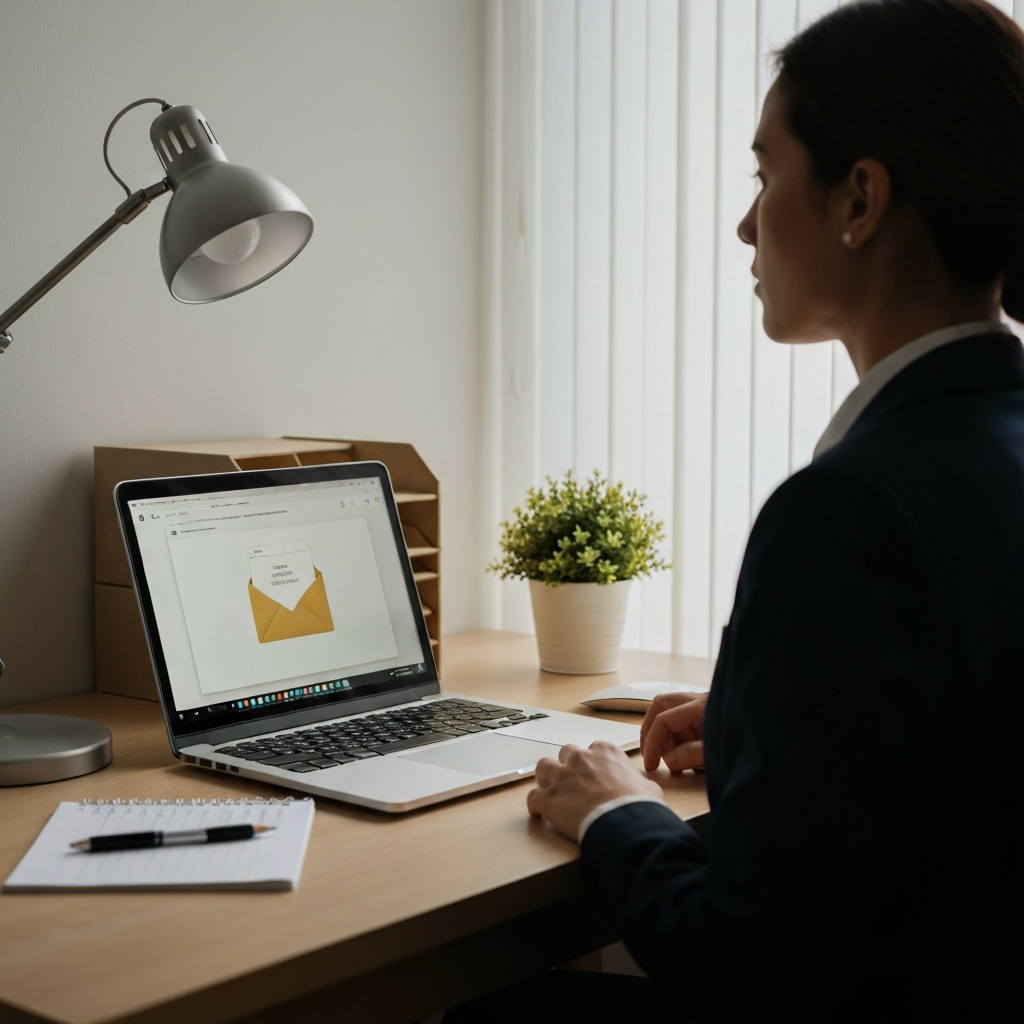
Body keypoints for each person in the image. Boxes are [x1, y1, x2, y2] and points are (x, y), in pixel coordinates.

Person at [445, 1, 1024, 1021]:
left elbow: (748, 969)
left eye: (764, 175)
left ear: (860, 200)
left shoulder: (850, 511)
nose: (746, 223)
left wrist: (618, 813)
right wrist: (779, 727)